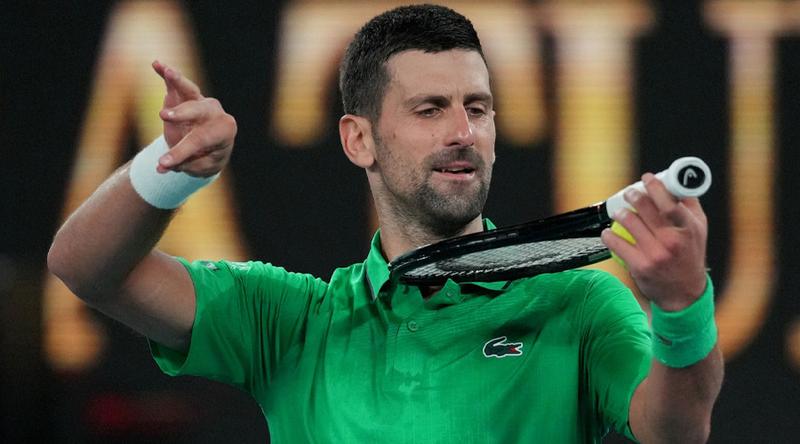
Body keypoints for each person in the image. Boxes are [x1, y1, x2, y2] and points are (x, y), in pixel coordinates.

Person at [48, 4, 723, 443]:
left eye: (477, 108)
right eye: (430, 109)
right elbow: (84, 267)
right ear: (359, 139)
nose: (463, 132)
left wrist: (682, 308)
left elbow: (677, 432)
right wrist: (169, 170)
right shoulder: (291, 323)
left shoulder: (579, 303)